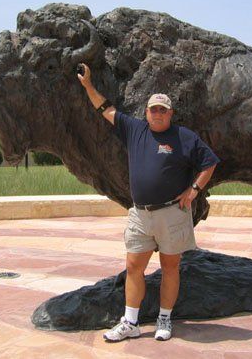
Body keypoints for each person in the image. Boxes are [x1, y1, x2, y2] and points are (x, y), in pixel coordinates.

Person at [76, 63, 219, 342]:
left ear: (170, 113)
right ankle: (131, 322)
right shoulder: (134, 129)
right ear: (146, 112)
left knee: (170, 268)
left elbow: (210, 162)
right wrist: (88, 86)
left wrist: (193, 191)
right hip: (140, 214)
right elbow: (105, 109)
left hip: (172, 213)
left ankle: (165, 319)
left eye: (162, 109)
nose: (157, 113)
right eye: (153, 109)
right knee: (133, 267)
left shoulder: (184, 137)